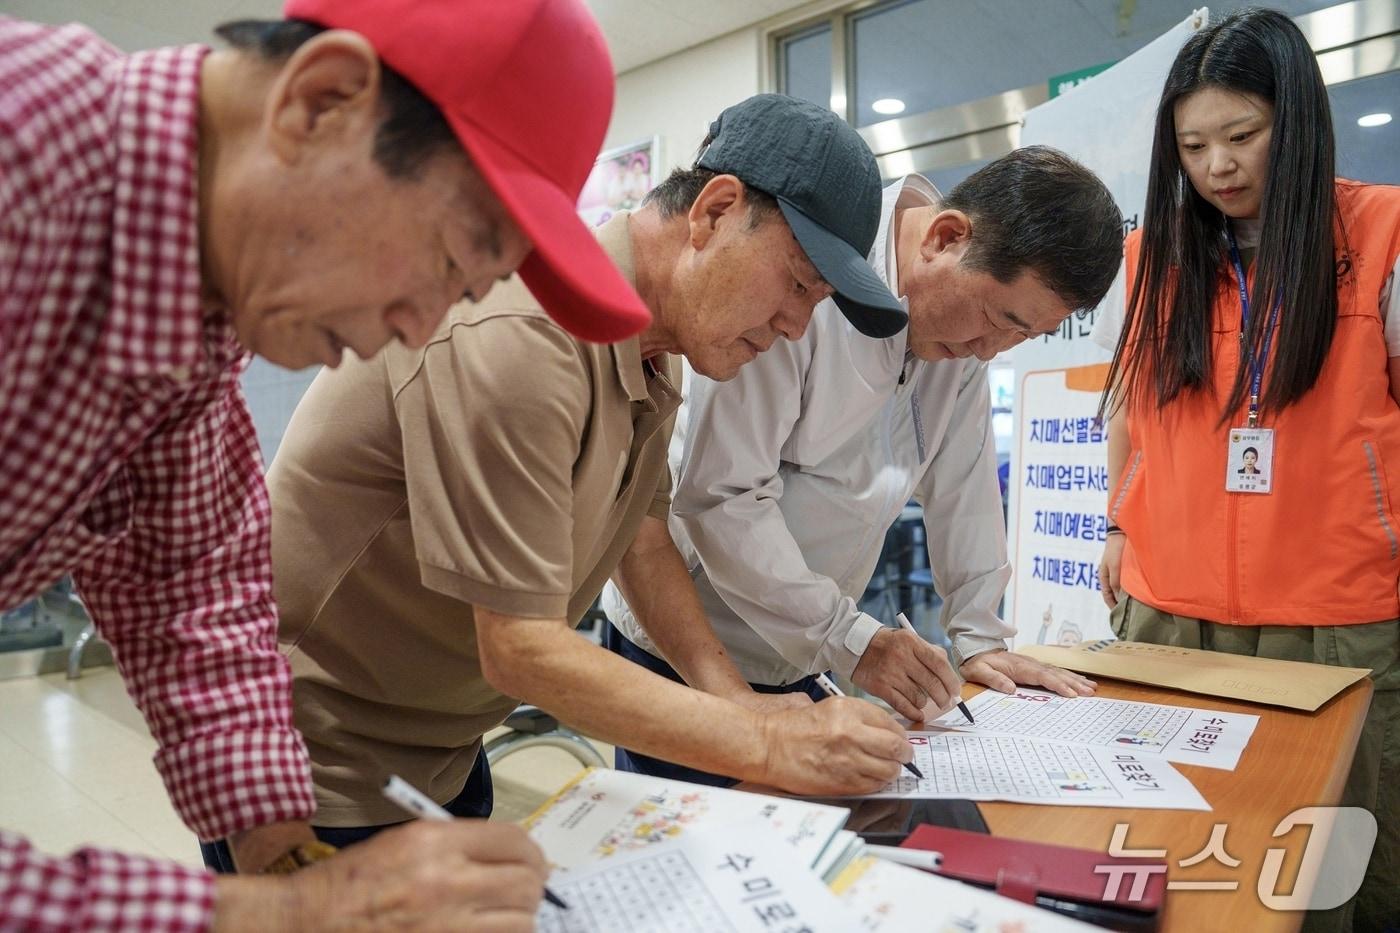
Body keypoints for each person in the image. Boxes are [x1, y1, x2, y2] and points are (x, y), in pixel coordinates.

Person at [0, 0, 651, 927]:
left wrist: (283, 851)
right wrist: (280, 913)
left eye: (466, 296)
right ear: (322, 101)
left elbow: (194, 592)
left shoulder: (195, 308)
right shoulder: (20, 171)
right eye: (445, 259)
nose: (423, 327)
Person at [239, 94, 917, 853]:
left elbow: (644, 536)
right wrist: (762, 743)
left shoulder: (651, 347)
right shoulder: (526, 329)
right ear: (715, 211)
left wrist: (741, 704)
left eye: (816, 303)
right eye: (797, 283)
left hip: (439, 749)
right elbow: (521, 645)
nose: (797, 326)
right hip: (309, 761)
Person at [602, 147, 1119, 784]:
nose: (991, 349)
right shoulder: (810, 271)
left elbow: (965, 488)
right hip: (691, 641)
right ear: (945, 236)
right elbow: (724, 496)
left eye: (1023, 337)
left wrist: (980, 636)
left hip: (810, 646)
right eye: (998, 318)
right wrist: (851, 639)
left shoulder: (961, 347)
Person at [1094, 9, 1399, 928]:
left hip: (1334, 617)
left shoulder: (1382, 233)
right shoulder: (1151, 257)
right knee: (1177, 864)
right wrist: (1117, 521)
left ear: (1296, 123)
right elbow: (1126, 404)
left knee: (1327, 875)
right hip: (1169, 615)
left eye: (1242, 136)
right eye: (1192, 145)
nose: (1217, 166)